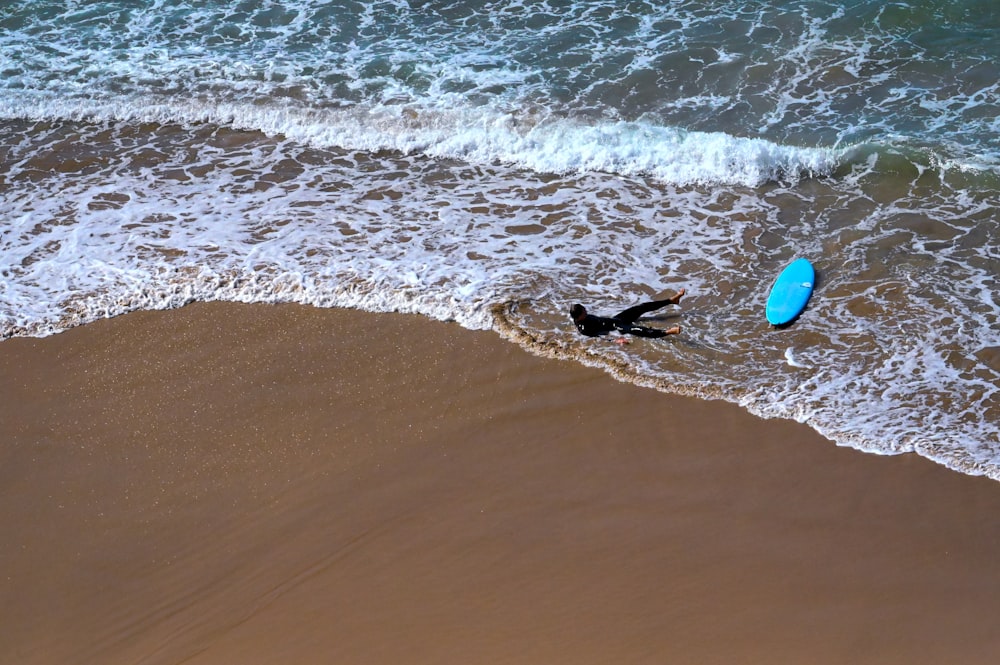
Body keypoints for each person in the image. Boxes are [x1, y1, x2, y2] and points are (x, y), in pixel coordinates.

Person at [569, 289, 684, 340]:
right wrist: (615, 340)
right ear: (579, 316)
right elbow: (600, 336)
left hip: (616, 319)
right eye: (584, 311)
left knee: (641, 307)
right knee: (639, 330)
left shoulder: (579, 317)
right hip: (616, 327)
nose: (586, 311)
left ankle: (671, 300)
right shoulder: (583, 329)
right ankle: (668, 332)